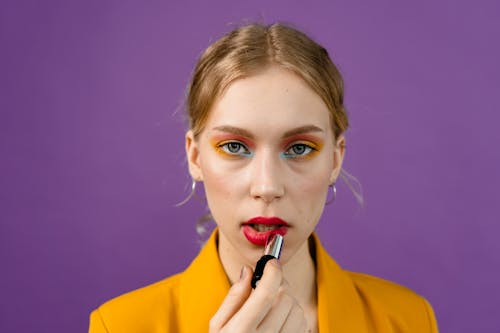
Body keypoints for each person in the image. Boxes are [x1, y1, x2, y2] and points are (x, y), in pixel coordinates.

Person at [88, 23, 439, 332]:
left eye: (300, 148)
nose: (267, 187)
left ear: (335, 159)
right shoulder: (120, 326)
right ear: (195, 156)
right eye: (235, 147)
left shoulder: (408, 320)